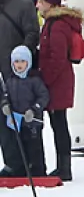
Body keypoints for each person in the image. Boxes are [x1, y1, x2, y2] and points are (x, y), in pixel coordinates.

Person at [34, 0, 82, 182]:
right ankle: (63, 166)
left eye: (39, 1)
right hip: (58, 81)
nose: (37, 4)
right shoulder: (53, 23)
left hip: (57, 82)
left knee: (59, 124)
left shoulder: (57, 25)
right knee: (58, 124)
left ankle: (64, 168)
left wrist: (44, 80)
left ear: (48, 3)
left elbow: (57, 57)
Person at [0, 0, 41, 178]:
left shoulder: (23, 6)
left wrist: (22, 60)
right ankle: (12, 162)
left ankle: (30, 163)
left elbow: (33, 33)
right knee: (2, 120)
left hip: (18, 75)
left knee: (22, 120)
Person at [2, 46, 49, 176]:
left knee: (35, 148)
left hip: (33, 121)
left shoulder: (35, 80)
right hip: (17, 122)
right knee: (20, 146)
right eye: (16, 62)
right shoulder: (10, 81)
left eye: (22, 62)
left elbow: (44, 96)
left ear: (28, 62)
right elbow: (5, 96)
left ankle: (38, 171)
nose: (19, 65)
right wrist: (5, 105)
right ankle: (22, 170)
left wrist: (34, 109)